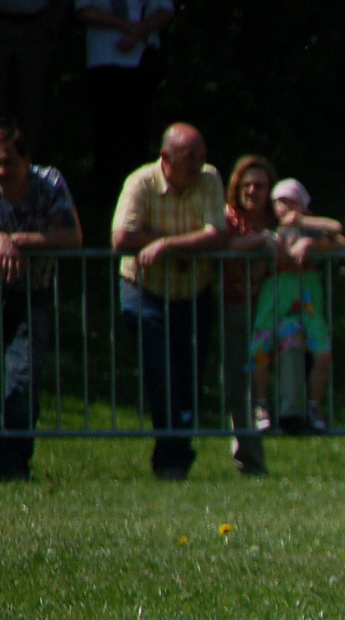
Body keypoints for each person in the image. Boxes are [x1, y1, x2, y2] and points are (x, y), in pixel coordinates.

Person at [113, 122, 227, 480]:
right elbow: (122, 237)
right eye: (190, 157)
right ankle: (172, 460)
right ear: (166, 157)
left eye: (202, 156)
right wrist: (179, 244)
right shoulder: (140, 183)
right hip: (143, 291)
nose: (198, 164)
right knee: (161, 372)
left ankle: (176, 452)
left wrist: (165, 245)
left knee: (188, 378)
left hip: (193, 293)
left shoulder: (210, 179)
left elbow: (217, 234)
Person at [0, 117, 81, 482]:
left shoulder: (49, 184)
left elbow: (71, 237)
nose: (2, 172)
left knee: (23, 378)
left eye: (8, 163)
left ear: (26, 161)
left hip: (33, 294)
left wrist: (22, 241)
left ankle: (15, 464)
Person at [248, 178, 345, 436]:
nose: (285, 208)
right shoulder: (269, 232)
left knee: (322, 352)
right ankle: (261, 406)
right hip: (274, 302)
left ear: (303, 205)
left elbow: (340, 234)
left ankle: (313, 408)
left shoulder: (311, 231)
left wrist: (309, 240)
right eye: (279, 202)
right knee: (260, 351)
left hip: (307, 302)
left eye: (291, 201)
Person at [77, 0, 172, 229]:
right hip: (104, 60)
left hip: (142, 60)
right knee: (107, 136)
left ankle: (139, 205)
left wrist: (139, 31)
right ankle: (107, 207)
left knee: (138, 139)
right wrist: (127, 26)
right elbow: (84, 10)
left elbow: (166, 10)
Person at [220, 155, 277, 474]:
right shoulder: (228, 219)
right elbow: (222, 241)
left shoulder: (276, 220)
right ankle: (248, 457)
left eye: (260, 185)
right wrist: (261, 241)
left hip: (270, 311)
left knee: (261, 386)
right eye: (247, 185)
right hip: (235, 308)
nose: (253, 191)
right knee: (239, 383)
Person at [0, 0, 64, 162]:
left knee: (31, 107)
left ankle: (29, 172)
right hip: (3, 22)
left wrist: (53, 17)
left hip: (36, 26)